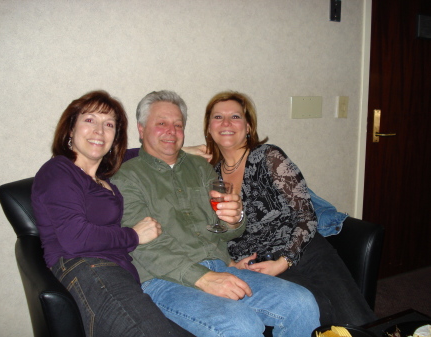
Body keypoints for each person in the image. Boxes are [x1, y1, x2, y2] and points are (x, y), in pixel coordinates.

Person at [111, 90, 321, 337]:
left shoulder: (201, 168)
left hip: (221, 267)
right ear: (141, 128)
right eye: (161, 123)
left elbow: (227, 229)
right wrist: (204, 278)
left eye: (178, 124)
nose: (171, 130)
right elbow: (143, 246)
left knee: (301, 303)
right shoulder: (126, 178)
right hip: (164, 280)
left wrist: (235, 218)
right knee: (241, 324)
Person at [203, 90, 377, 326]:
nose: (226, 123)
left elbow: (306, 214)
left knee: (358, 321)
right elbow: (211, 233)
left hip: (303, 249)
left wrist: (284, 261)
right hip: (256, 265)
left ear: (248, 127)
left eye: (235, 117)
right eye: (217, 117)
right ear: (209, 128)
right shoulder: (208, 176)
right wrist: (231, 263)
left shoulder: (268, 157)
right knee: (319, 312)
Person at [31, 90, 194, 337]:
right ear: (71, 129)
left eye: (109, 124)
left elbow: (143, 151)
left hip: (120, 277)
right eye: (89, 120)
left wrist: (182, 151)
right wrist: (133, 236)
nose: (99, 130)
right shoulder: (58, 171)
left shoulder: (103, 177)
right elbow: (76, 237)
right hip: (88, 270)